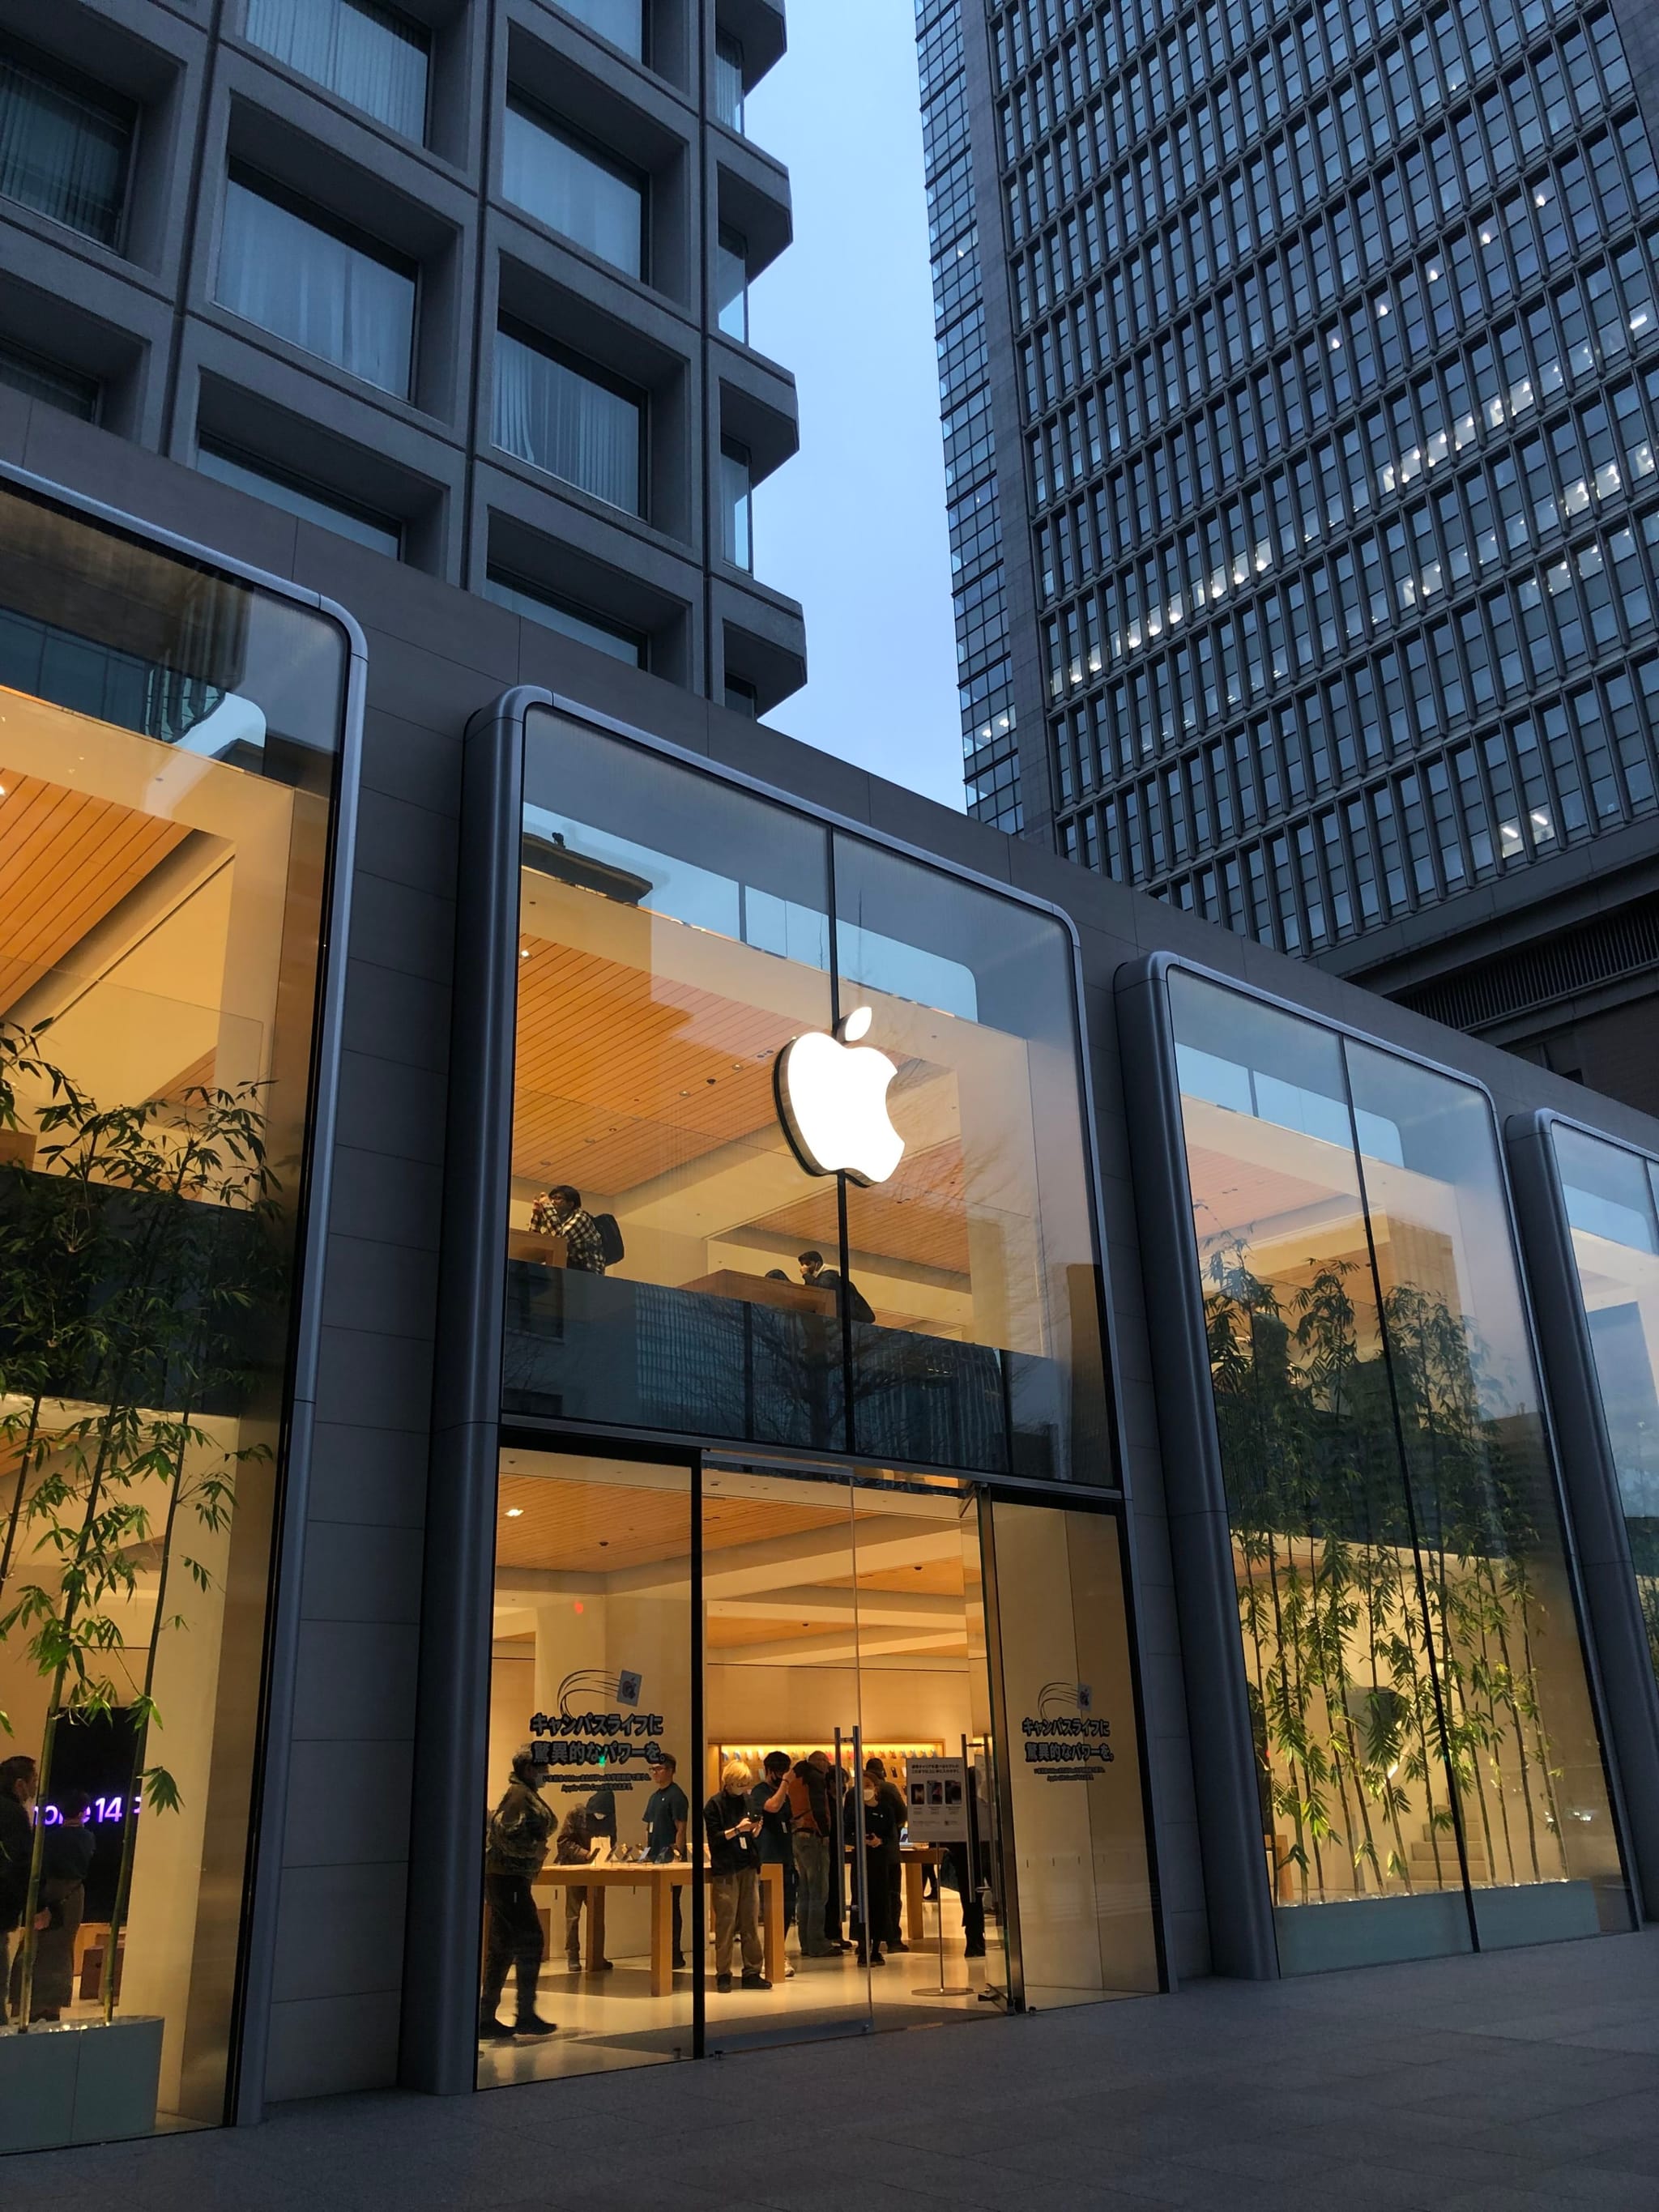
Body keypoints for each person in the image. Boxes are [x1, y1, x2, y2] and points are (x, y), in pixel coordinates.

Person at [479, 1750, 557, 2041]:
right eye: (542, 1767)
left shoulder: (523, 1793)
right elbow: (504, 1834)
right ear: (528, 1768)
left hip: (510, 1879)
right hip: (508, 1878)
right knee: (530, 1939)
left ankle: (488, 2015)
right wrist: (532, 1851)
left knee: (502, 1945)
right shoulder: (519, 1795)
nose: (546, 1771)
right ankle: (524, 2014)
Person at [11, 1788, 95, 2022]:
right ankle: (50, 2005)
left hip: (44, 1894)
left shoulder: (48, 1838)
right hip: (70, 1897)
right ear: (81, 1813)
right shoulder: (86, 1838)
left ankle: (25, 2001)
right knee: (60, 1950)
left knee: (35, 1947)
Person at [702, 1759, 769, 1993]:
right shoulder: (714, 1805)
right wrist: (738, 1829)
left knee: (750, 1920)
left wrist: (754, 1828)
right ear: (729, 1782)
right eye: (740, 1784)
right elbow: (716, 1838)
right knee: (726, 1922)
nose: (743, 1788)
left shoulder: (748, 1800)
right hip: (726, 1868)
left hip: (748, 1864)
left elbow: (752, 1826)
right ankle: (723, 1973)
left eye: (746, 1784)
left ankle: (752, 1970)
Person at [783, 1750, 837, 1958]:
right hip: (813, 1837)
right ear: (817, 1762)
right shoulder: (814, 1778)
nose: (827, 1765)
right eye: (824, 1761)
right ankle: (817, 1943)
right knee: (819, 1892)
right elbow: (818, 1807)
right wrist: (825, 1832)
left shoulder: (797, 1778)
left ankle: (806, 1942)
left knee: (805, 1892)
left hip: (798, 1837)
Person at [846, 1767, 898, 1967]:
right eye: (861, 1787)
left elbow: (892, 1835)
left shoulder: (885, 1809)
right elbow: (847, 1833)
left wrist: (879, 1841)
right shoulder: (853, 1811)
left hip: (880, 1861)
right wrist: (861, 1840)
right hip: (861, 1860)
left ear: (876, 1789)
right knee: (861, 1900)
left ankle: (876, 1948)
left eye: (868, 1786)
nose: (865, 1790)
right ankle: (862, 1946)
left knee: (880, 1902)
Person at [642, 1753, 689, 1970]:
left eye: (659, 1768)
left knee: (672, 1906)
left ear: (670, 1770)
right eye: (652, 1769)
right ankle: (663, 1949)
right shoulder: (653, 1797)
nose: (655, 1773)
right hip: (655, 1858)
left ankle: (675, 1952)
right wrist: (646, 1854)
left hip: (670, 1858)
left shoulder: (676, 1796)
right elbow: (648, 1827)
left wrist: (678, 1854)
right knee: (660, 1906)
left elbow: (681, 1828)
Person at [748, 1752, 795, 1965]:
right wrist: (786, 1782)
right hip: (768, 1856)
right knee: (769, 1908)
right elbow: (772, 1807)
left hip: (785, 1855)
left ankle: (778, 1951)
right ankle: (770, 1954)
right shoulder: (760, 1791)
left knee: (787, 1907)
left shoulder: (784, 1793)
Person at [0, 1756, 38, 2018]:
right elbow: (22, 1863)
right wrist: (35, 1905)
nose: (36, 1788)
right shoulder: (12, 1814)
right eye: (34, 1781)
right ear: (20, 1784)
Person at [864, 1758, 910, 1955]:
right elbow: (902, 1815)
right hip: (889, 1852)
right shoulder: (890, 1789)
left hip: (865, 1854)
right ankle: (892, 1938)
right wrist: (891, 1832)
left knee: (868, 1895)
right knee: (892, 1895)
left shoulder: (852, 1793)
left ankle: (867, 1939)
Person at [557, 1805, 610, 1973]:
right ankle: (573, 1956)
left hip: (595, 1869)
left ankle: (596, 1955)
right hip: (574, 1869)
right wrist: (585, 1854)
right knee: (573, 1915)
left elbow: (609, 1839)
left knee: (597, 1914)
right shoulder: (575, 1814)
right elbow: (563, 1842)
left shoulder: (608, 1817)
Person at [531, 1185, 608, 1274]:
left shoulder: (580, 1218)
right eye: (552, 1198)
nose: (552, 1202)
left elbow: (558, 1242)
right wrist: (537, 1214)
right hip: (573, 1272)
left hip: (590, 1273)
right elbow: (535, 1244)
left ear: (570, 1204)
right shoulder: (558, 1222)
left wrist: (548, 1207)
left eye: (558, 1198)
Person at [797, 1249, 874, 1324]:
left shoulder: (829, 1275)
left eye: (808, 1264)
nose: (805, 1268)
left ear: (818, 1264)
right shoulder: (814, 1280)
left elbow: (821, 1289)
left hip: (846, 1320)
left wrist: (806, 1274)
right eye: (802, 1265)